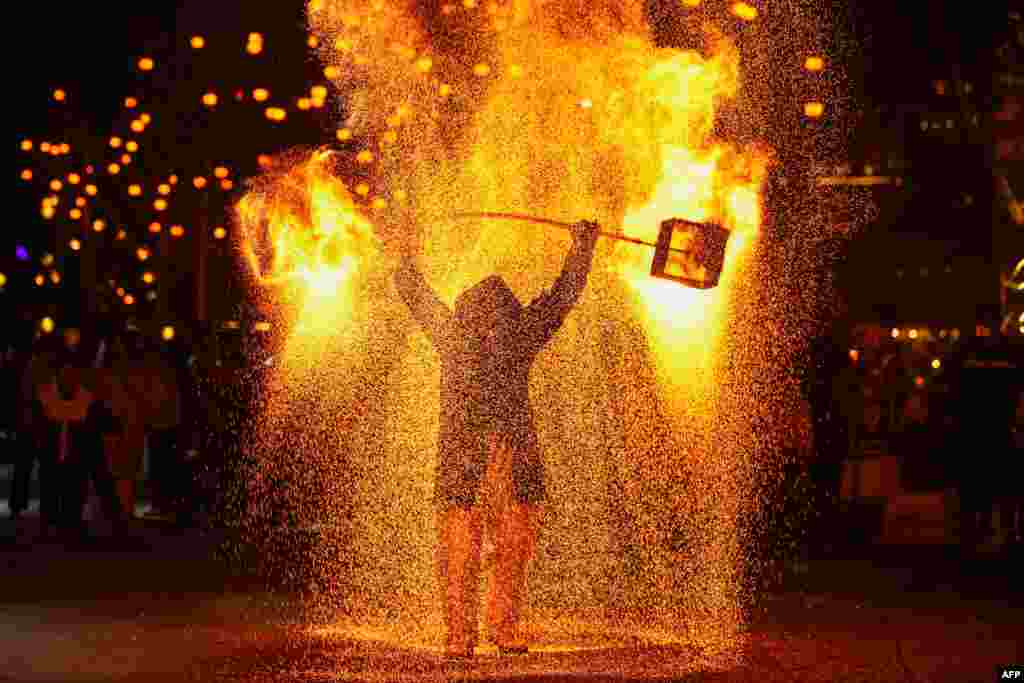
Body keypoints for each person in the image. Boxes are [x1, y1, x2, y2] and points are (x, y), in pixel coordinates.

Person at [391, 220, 599, 658]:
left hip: (488, 452)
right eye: (484, 316)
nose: (489, 326)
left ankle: (472, 632)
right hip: (486, 452)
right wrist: (581, 248)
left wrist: (405, 250)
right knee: (482, 545)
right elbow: (562, 296)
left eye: (494, 317)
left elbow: (415, 292)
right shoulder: (508, 334)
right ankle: (478, 631)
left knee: (486, 545)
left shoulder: (460, 335)